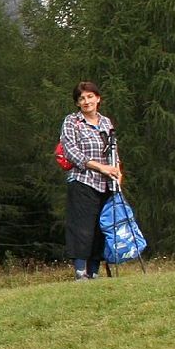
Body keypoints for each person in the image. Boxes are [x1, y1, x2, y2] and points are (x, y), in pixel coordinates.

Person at [59, 81, 122, 280]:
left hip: (106, 184)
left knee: (100, 228)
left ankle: (94, 272)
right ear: (77, 103)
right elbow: (70, 151)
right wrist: (99, 166)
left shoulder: (106, 122)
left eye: (89, 97)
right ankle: (80, 272)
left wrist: (117, 170)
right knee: (82, 228)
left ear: (98, 98)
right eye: (82, 99)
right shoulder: (72, 122)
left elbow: (113, 151)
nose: (86, 102)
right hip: (82, 181)